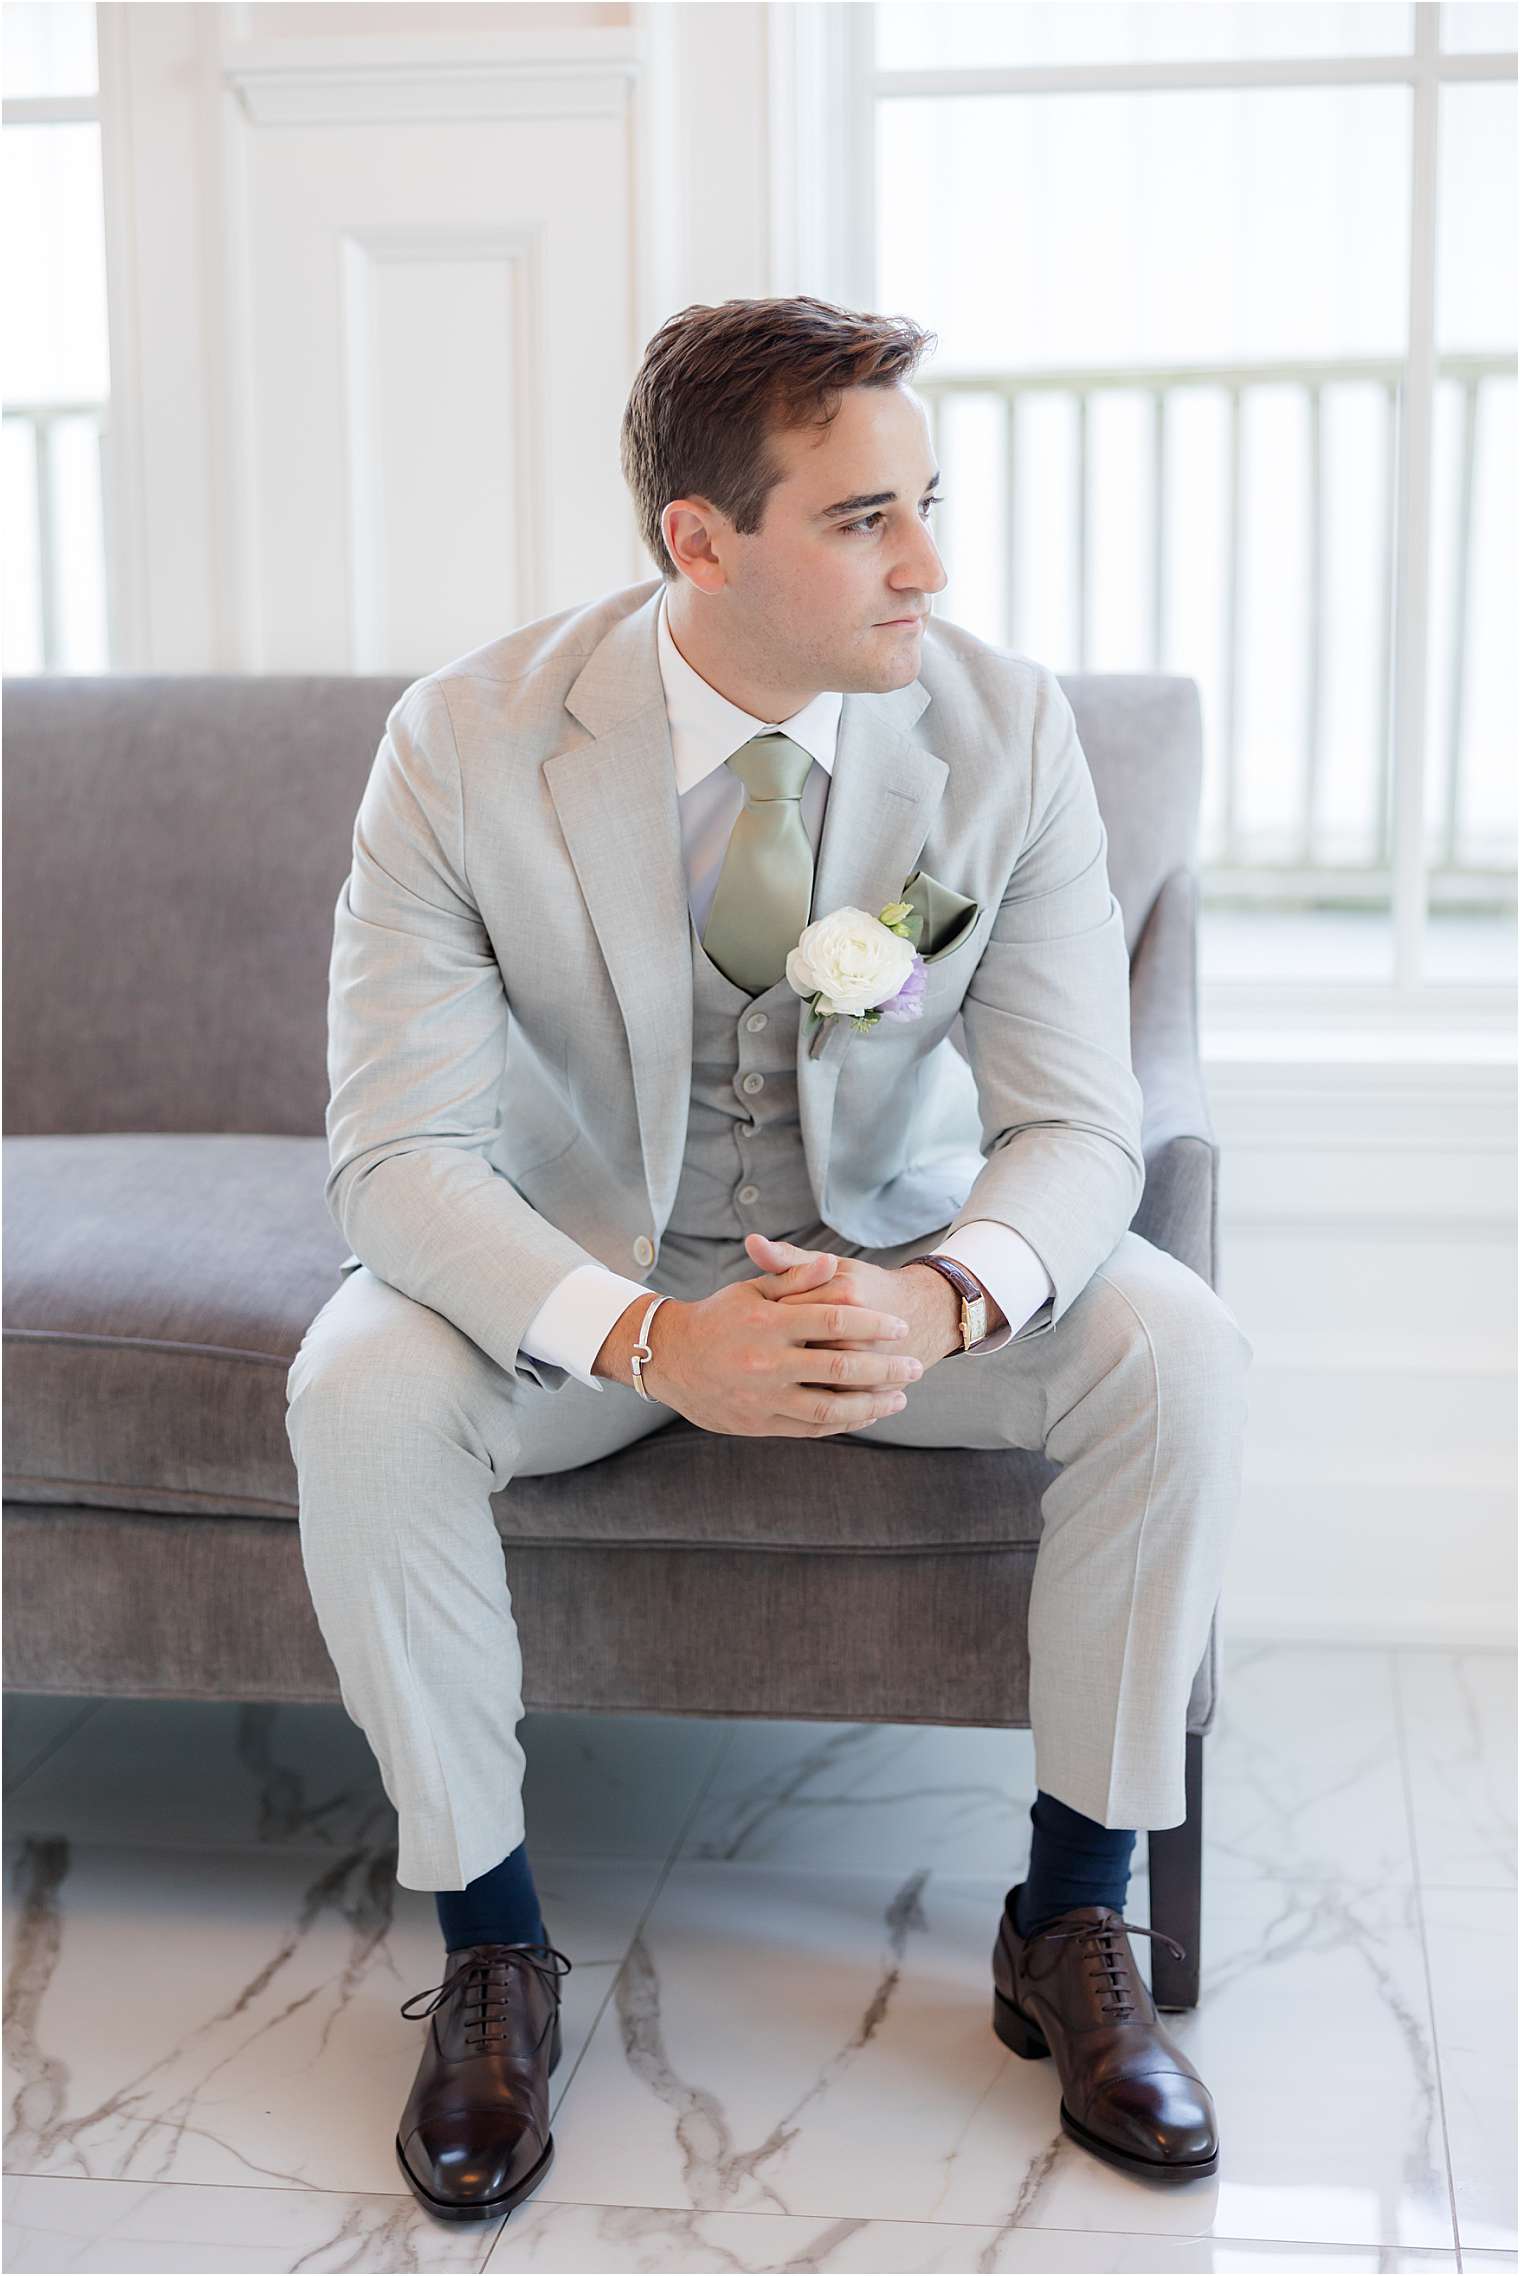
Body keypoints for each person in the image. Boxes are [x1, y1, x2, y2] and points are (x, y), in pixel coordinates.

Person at [285, 293, 1252, 2225]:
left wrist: (949, 1289)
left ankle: (1073, 1914)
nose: (931, 563)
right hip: (585, 1279)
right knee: (356, 1387)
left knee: (1179, 1348)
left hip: (896, 1267)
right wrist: (650, 1336)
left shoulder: (1007, 729)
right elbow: (395, 1158)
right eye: (863, 520)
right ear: (698, 542)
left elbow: (1079, 1123)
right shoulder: (465, 745)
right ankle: (490, 1946)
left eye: (930, 503)